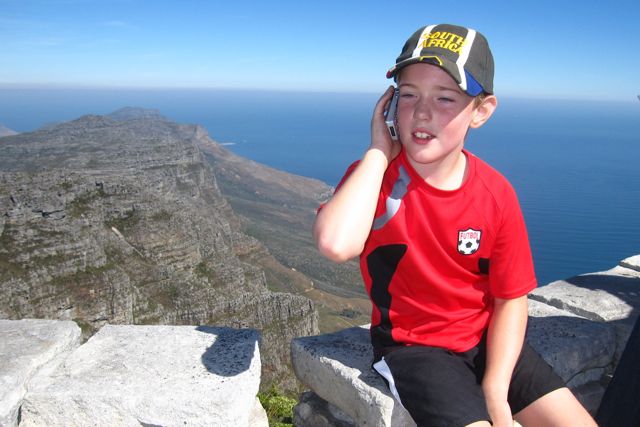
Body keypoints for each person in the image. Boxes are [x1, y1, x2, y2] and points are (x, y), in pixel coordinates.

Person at [313, 23, 596, 427]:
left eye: (445, 98)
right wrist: (378, 151)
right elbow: (335, 243)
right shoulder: (375, 180)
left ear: (481, 111)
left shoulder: (495, 193)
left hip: (488, 340)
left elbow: (510, 298)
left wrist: (495, 388)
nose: (422, 111)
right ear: (389, 104)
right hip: (415, 350)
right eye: (408, 95)